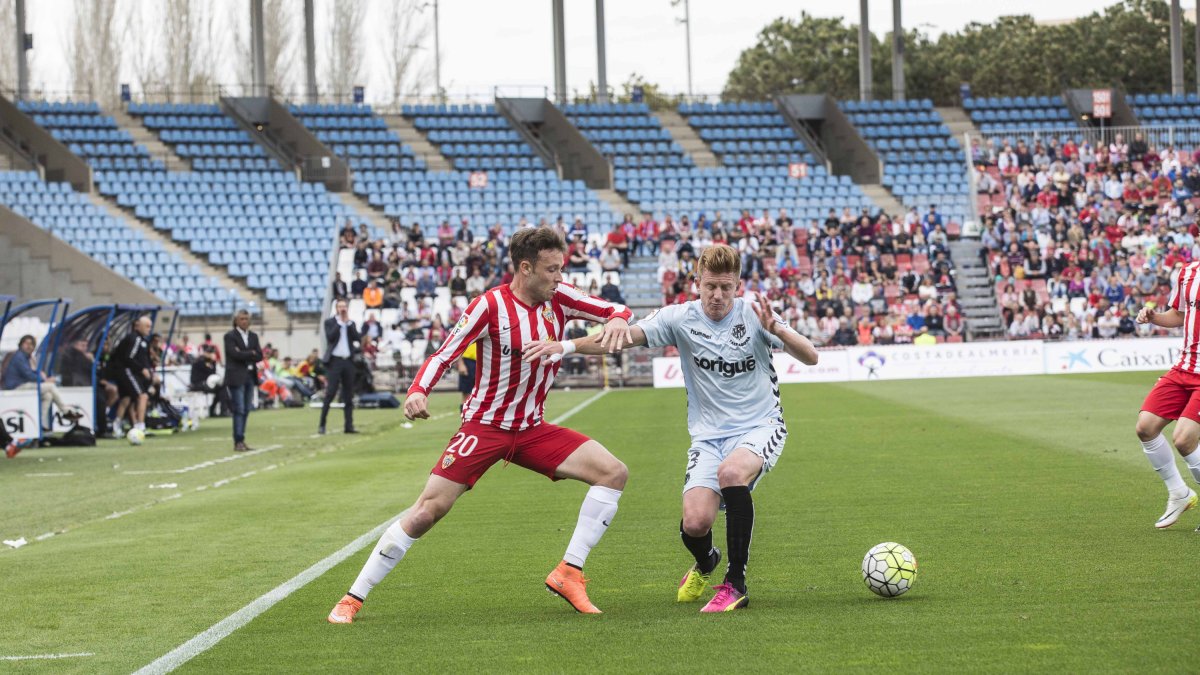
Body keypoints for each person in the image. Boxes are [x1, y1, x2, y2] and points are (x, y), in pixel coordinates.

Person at [327, 227, 634, 624]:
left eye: (561, 268)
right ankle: (352, 598)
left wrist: (613, 324)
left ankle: (569, 572)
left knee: (613, 473)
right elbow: (443, 354)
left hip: (532, 429)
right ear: (525, 268)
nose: (560, 277)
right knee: (427, 511)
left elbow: (616, 310)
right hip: (484, 427)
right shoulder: (489, 306)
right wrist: (418, 390)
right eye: (552, 269)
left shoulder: (561, 297)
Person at [531, 244, 819, 612]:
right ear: (697, 282)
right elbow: (622, 338)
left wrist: (776, 327)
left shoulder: (754, 314)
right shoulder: (679, 317)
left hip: (760, 425)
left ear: (738, 285)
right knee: (696, 523)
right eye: (710, 286)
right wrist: (565, 346)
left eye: (726, 288)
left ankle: (735, 585)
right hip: (708, 435)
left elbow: (811, 356)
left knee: (731, 473)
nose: (717, 296)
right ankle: (706, 562)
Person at [1134, 261, 1200, 529]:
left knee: (1184, 439)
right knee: (1145, 427)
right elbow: (1179, 315)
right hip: (1184, 366)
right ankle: (1179, 493)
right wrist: (1154, 317)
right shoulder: (1188, 272)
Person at [1, 334, 84, 432]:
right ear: (21, 344)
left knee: (48, 395)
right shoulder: (19, 356)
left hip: (21, 385)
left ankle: (41, 425)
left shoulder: (25, 357)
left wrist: (39, 374)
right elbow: (28, 375)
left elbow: (30, 372)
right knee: (50, 386)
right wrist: (45, 380)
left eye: (32, 344)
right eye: (26, 343)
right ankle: (66, 411)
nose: (29, 346)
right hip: (16, 386)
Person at [320, 299, 361, 435]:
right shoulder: (330, 322)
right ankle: (322, 424)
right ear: (336, 308)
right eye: (340, 306)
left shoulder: (350, 323)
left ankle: (348, 425)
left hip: (348, 361)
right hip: (335, 362)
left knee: (348, 394)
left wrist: (348, 323)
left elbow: (357, 338)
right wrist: (340, 323)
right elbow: (330, 337)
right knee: (330, 393)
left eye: (344, 306)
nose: (342, 309)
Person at [224, 309, 263, 452]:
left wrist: (246, 354)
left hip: (250, 375)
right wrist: (250, 353)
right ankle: (238, 440)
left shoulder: (253, 336)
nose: (244, 321)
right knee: (239, 409)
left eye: (246, 319)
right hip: (236, 376)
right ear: (236, 320)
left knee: (246, 409)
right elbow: (234, 354)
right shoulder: (229, 336)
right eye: (241, 319)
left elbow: (259, 355)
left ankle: (241, 438)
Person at [112, 316, 154, 435]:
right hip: (127, 371)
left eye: (150, 326)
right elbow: (129, 357)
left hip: (125, 372)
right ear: (137, 326)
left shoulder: (140, 340)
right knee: (142, 396)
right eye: (146, 326)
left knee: (126, 399)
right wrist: (142, 369)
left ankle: (117, 425)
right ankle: (140, 426)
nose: (149, 329)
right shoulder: (135, 339)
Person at [189, 346, 230, 417]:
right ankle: (223, 410)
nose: (212, 354)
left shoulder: (212, 362)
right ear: (205, 353)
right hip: (198, 383)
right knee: (221, 389)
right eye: (210, 353)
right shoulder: (199, 361)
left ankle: (218, 410)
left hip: (208, 383)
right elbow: (205, 374)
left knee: (221, 388)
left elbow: (212, 374)